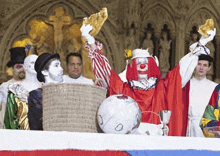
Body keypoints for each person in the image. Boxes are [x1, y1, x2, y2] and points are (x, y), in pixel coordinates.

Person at [80, 23, 216, 136]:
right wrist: (90, 41)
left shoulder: (164, 87)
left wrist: (201, 42)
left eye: (145, 63)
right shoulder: (123, 89)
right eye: (138, 63)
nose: (143, 66)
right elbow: (106, 73)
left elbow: (181, 69)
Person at [4, 54, 42, 130]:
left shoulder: (45, 87)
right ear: (25, 67)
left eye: (37, 62)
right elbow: (10, 117)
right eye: (32, 63)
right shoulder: (15, 89)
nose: (35, 65)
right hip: (20, 135)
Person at [184, 54, 217, 137]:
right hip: (189, 127)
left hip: (208, 128)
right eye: (199, 64)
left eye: (205, 65)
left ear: (209, 68)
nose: (201, 68)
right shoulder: (186, 85)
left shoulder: (214, 87)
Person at [28, 53, 63, 130]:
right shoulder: (36, 95)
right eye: (56, 65)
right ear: (44, 72)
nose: (61, 69)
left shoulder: (65, 92)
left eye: (60, 65)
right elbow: (37, 125)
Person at [0, 47, 26, 129]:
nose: (22, 70)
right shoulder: (4, 86)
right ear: (12, 69)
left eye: (24, 67)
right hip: (7, 130)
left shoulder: (30, 86)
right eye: (19, 67)